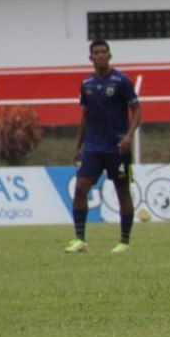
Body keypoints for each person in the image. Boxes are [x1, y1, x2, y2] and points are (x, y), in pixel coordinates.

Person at [65, 39, 142, 254]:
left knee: (122, 192)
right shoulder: (86, 84)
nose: (100, 55)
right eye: (96, 52)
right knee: (80, 188)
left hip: (117, 147)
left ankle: (124, 242)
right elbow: (85, 116)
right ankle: (80, 240)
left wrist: (128, 136)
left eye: (103, 52)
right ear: (90, 58)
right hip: (93, 147)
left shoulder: (121, 81)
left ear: (109, 56)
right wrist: (79, 146)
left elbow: (137, 111)